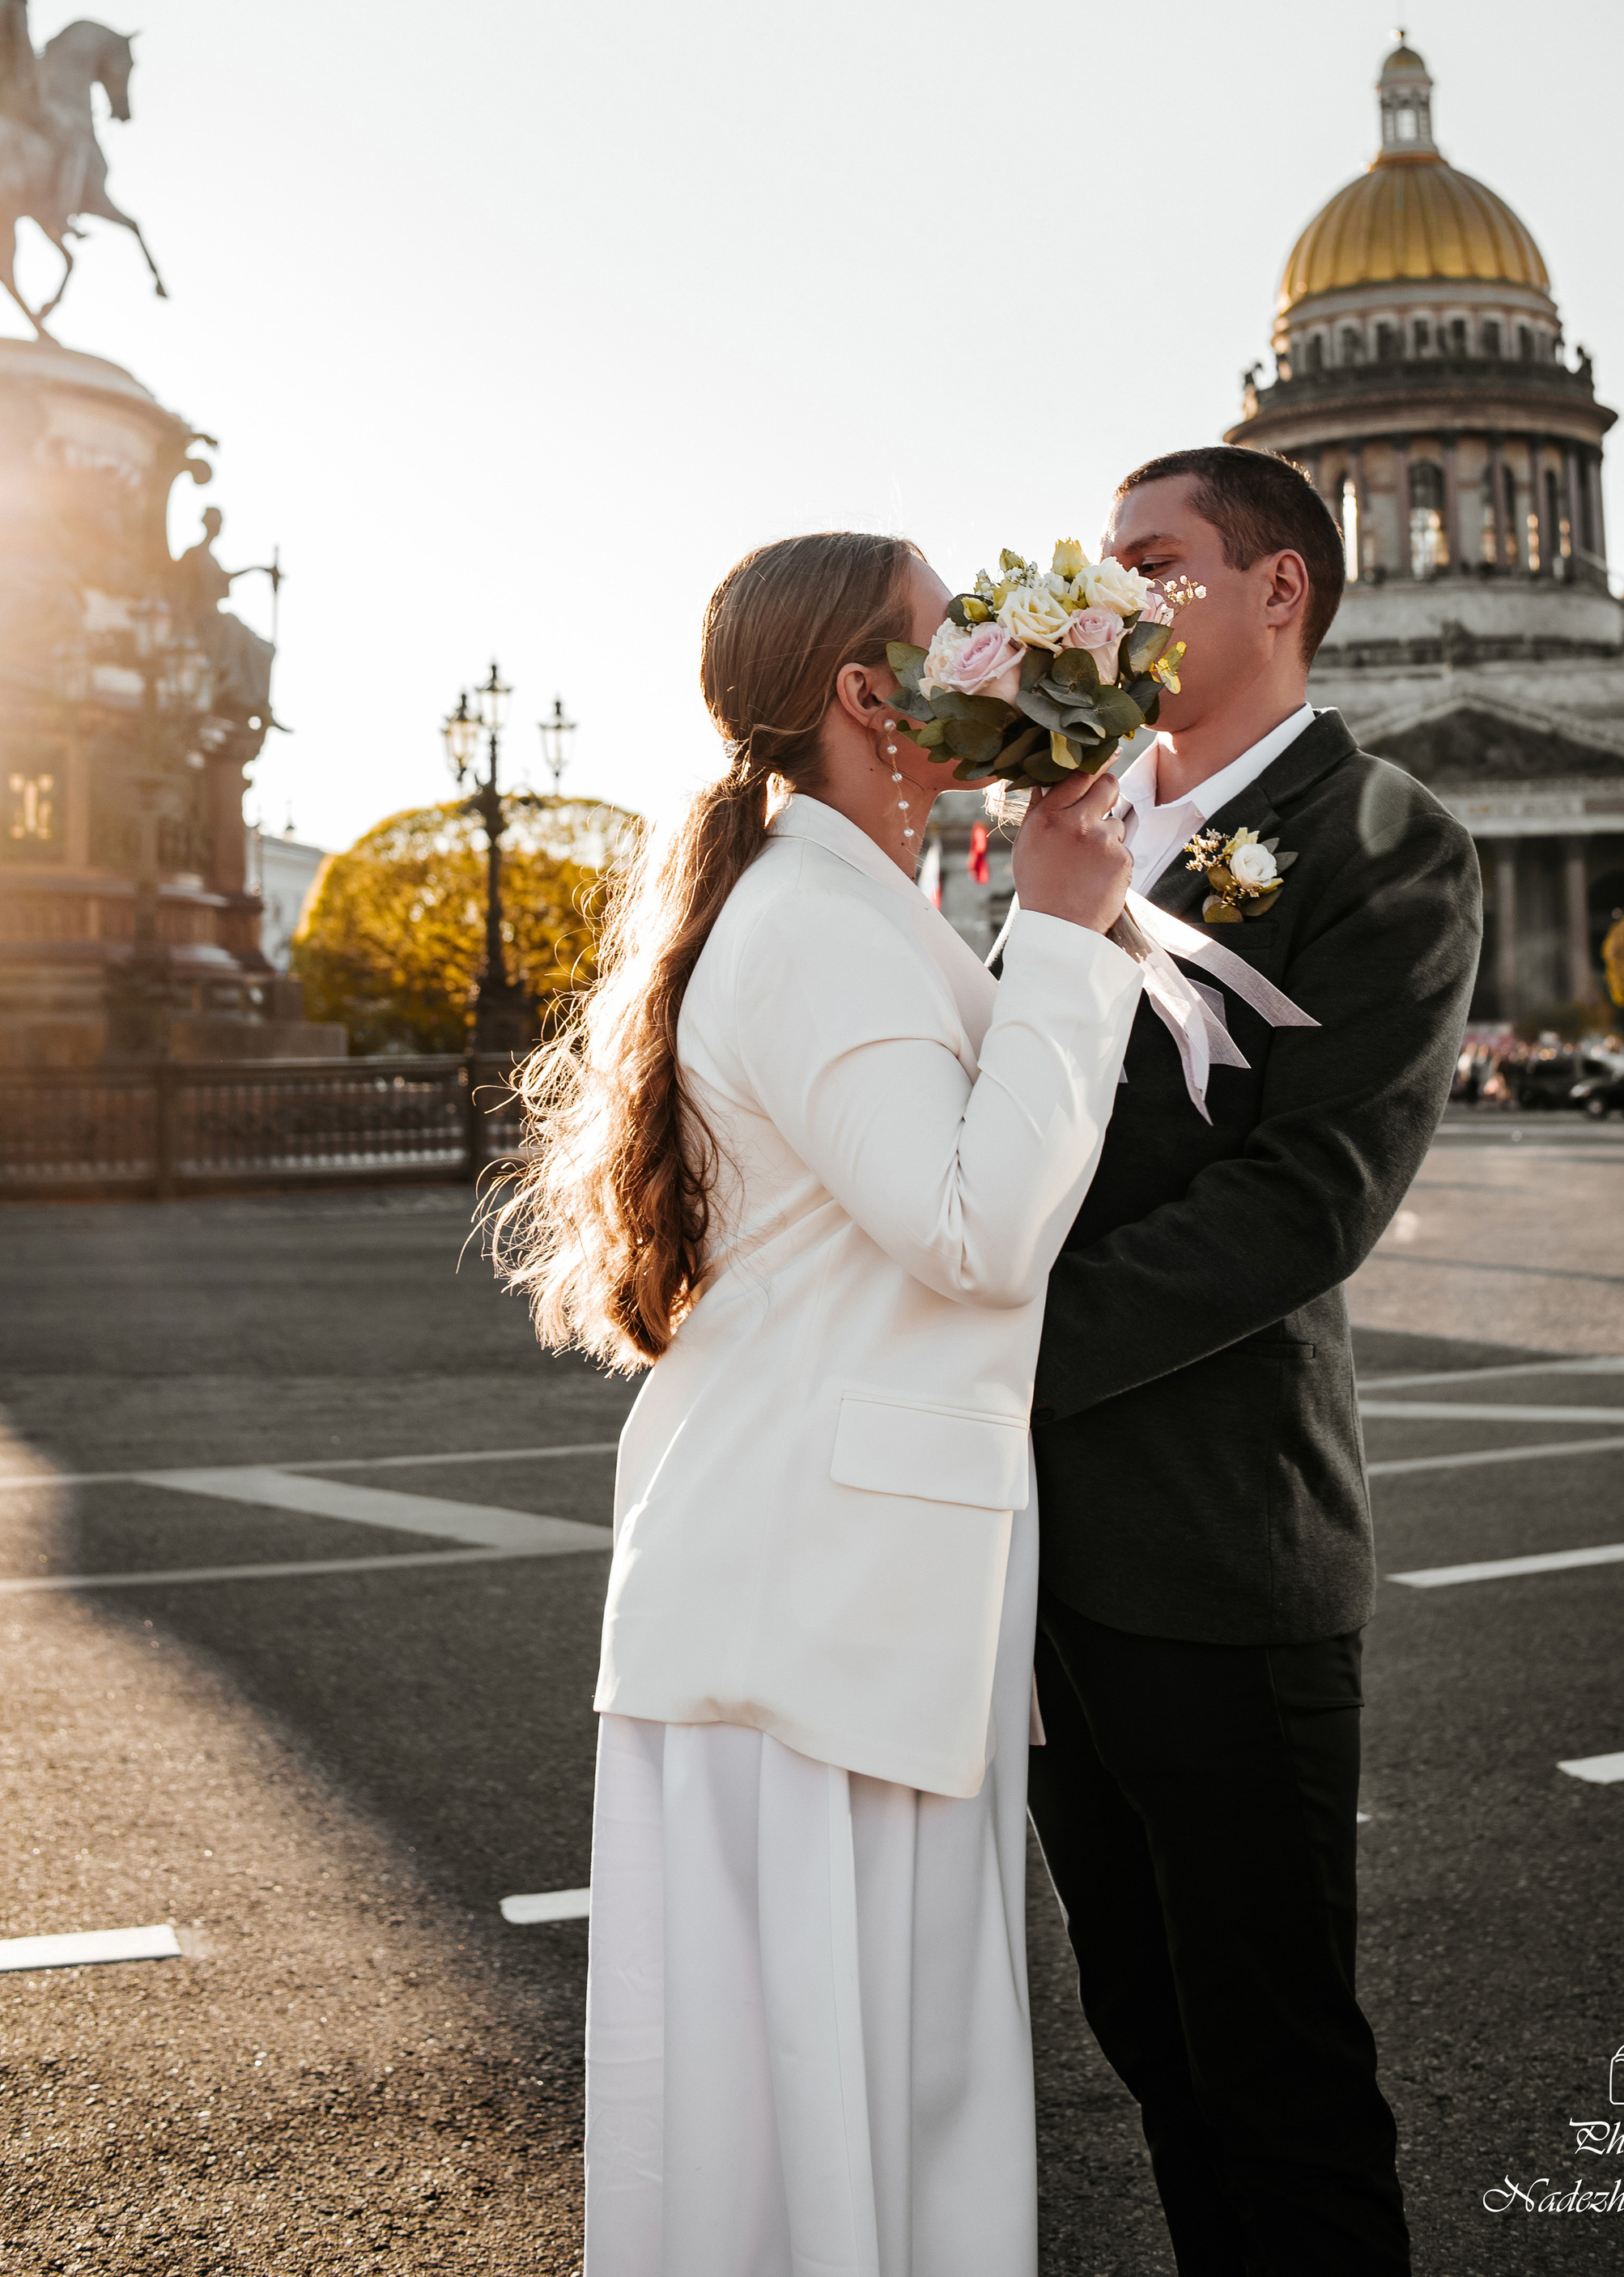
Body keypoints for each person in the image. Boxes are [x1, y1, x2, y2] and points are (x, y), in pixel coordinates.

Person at [505, 529, 1141, 2277]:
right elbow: (971, 1231)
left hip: (828, 1603)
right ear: (870, 694)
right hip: (823, 1620)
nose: (996, 659)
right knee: (848, 2116)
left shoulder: (839, 905)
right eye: (955, 637)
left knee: (834, 2120)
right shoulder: (817, 923)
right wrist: (1062, 938)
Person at [1026, 445, 1483, 2276]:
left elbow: (1310, 1198)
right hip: (1036, 1553)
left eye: (1153, 562)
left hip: (1221, 1545)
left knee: (1277, 2081)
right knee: (1148, 2043)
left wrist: (993, 1354)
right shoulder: (1070, 820)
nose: (1112, 597)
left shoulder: (1381, 835)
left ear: (1277, 586)